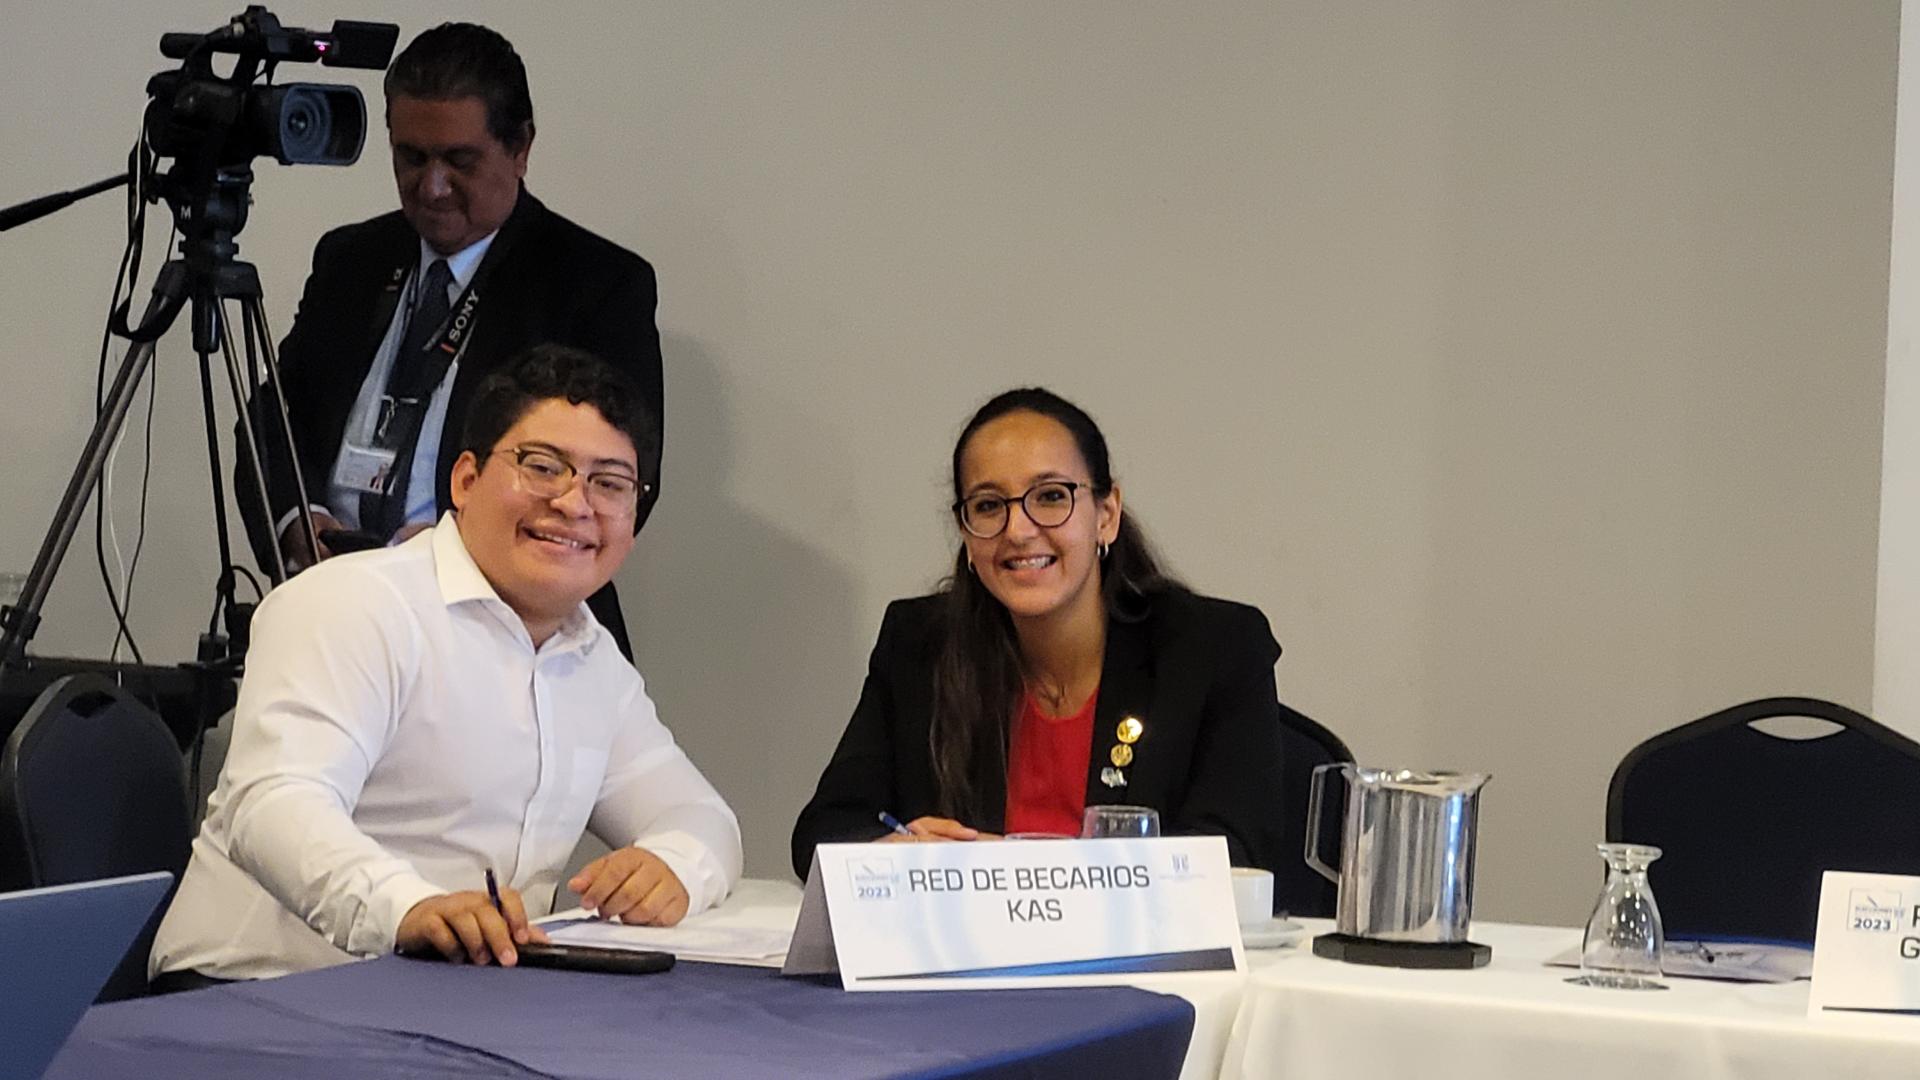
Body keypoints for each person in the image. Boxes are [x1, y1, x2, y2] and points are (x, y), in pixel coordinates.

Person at [154, 345, 739, 987]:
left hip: (461, 997)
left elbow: (701, 817)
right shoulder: (352, 605)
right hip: (252, 989)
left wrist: (672, 866)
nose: (576, 504)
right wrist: (409, 909)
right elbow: (274, 804)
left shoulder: (592, 659)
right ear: (465, 480)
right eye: (543, 467)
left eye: (610, 484)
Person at [243, 22, 661, 655]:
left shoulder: (596, 283)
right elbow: (273, 420)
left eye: (459, 161)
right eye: (411, 158)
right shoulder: (350, 258)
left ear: (520, 148)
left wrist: (462, 551)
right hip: (339, 612)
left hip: (508, 635)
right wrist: (295, 521)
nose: (432, 186)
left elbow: (620, 484)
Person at [791, 388, 1287, 877]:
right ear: (965, 532)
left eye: (1050, 497)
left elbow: (1234, 854)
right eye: (988, 506)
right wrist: (895, 854)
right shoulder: (920, 645)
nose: (1018, 530)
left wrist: (1008, 867)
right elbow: (824, 832)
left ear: (1106, 515)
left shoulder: (1214, 647)